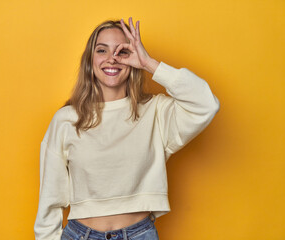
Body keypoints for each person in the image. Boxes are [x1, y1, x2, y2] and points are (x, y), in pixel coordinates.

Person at [34, 17, 220, 240]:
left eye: (122, 51)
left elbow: (206, 103)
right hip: (79, 235)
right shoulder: (66, 119)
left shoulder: (156, 112)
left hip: (139, 234)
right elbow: (50, 198)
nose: (112, 58)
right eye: (102, 50)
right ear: (89, 61)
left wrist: (149, 63)